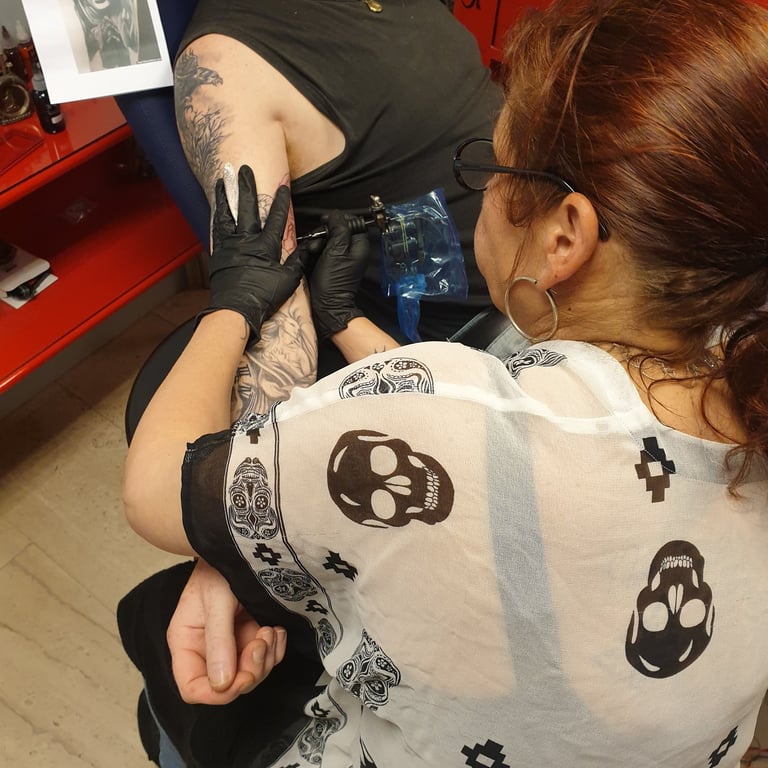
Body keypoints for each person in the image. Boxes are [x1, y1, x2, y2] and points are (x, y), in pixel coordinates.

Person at [123, 0, 768, 765]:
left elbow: (157, 489)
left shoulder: (439, 412)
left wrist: (234, 298)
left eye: (490, 167)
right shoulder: (740, 367)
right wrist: (344, 322)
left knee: (157, 620)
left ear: (565, 236)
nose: (479, 189)